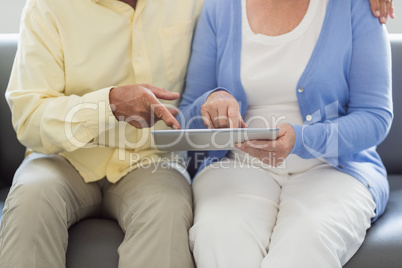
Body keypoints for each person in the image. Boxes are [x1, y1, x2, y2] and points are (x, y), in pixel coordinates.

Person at [178, 0, 392, 267]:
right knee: (219, 236)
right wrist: (211, 102)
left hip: (334, 169)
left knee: (309, 240)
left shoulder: (355, 6)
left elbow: (375, 117)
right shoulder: (219, 8)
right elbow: (186, 119)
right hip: (236, 165)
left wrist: (301, 140)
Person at [0, 0, 203, 267]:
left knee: (167, 205)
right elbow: (29, 117)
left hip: (150, 160)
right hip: (64, 158)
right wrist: (110, 105)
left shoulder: (193, 4)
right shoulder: (46, 7)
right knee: (31, 197)